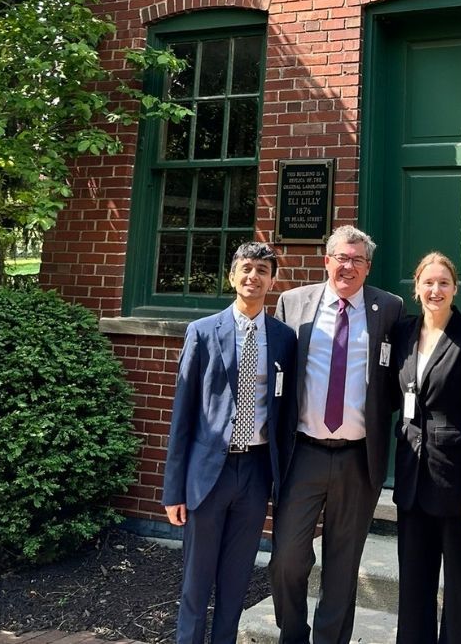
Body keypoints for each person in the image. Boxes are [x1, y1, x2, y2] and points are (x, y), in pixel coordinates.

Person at [270, 224, 404, 644]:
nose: (348, 266)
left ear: (368, 267)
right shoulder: (293, 304)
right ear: (326, 260)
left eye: (357, 260)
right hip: (303, 453)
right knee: (287, 560)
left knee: (343, 566)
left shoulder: (390, 308)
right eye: (341, 258)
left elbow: (399, 379)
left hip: (358, 457)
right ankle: (292, 635)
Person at [161, 241, 297, 644]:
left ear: (272, 281)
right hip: (208, 476)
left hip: (255, 474)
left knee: (236, 581)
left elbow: (286, 412)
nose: (253, 276)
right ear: (232, 276)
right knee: (196, 583)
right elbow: (182, 415)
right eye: (247, 268)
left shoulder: (284, 338)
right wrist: (174, 490)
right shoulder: (202, 333)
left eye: (262, 270)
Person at [392, 252, 461, 644]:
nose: (435, 290)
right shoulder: (402, 333)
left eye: (443, 283)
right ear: (416, 287)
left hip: (456, 484)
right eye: (428, 282)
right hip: (412, 480)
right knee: (413, 585)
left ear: (455, 289)